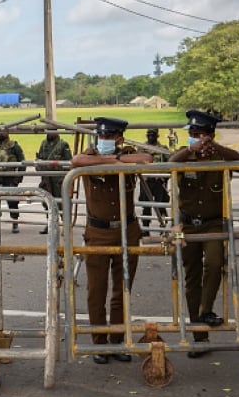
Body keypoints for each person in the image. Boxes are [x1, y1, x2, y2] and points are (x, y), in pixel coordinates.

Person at [71, 117, 152, 364]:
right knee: (97, 290)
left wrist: (117, 159)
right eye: (101, 136)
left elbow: (146, 160)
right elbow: (77, 161)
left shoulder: (128, 153)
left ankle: (117, 341)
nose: (104, 140)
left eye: (109, 137)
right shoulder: (90, 155)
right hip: (98, 232)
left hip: (127, 230)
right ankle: (99, 343)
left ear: (120, 139)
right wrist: (110, 161)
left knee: (122, 289)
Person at [168, 110, 239, 358]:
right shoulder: (185, 156)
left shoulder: (220, 158)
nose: (195, 138)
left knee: (213, 262)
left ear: (210, 135)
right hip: (187, 225)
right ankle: (199, 335)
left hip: (213, 224)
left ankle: (205, 311)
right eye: (191, 134)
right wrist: (191, 150)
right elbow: (169, 163)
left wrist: (216, 148)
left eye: (199, 135)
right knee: (192, 276)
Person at [0, 129, 26, 233]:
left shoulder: (14, 146)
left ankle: (15, 223)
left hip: (9, 178)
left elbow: (23, 163)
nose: (0, 134)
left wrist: (17, 179)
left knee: (12, 202)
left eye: (3, 132)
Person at [36, 130, 72, 234]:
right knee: (47, 202)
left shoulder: (63, 145)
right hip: (46, 178)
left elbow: (69, 162)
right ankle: (50, 225)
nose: (49, 134)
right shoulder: (43, 144)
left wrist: (63, 179)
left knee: (62, 203)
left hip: (58, 180)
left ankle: (66, 226)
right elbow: (39, 159)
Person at [138, 128, 170, 236]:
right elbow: (137, 164)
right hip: (146, 180)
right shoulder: (141, 148)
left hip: (159, 181)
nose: (151, 137)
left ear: (157, 136)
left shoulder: (163, 149)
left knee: (161, 206)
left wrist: (164, 178)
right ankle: (145, 228)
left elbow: (169, 164)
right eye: (149, 135)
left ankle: (163, 228)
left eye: (153, 135)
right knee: (146, 206)